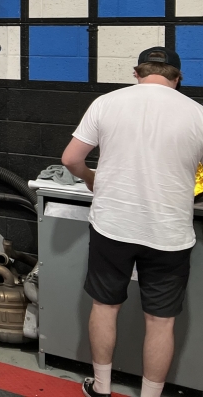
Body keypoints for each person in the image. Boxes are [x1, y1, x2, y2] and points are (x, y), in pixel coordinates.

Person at [62, 47, 203, 397]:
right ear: (178, 78)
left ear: (136, 73)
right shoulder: (198, 113)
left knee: (105, 306)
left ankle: (101, 387)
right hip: (169, 231)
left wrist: (91, 178)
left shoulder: (107, 103)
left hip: (113, 225)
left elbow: (71, 159)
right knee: (161, 321)